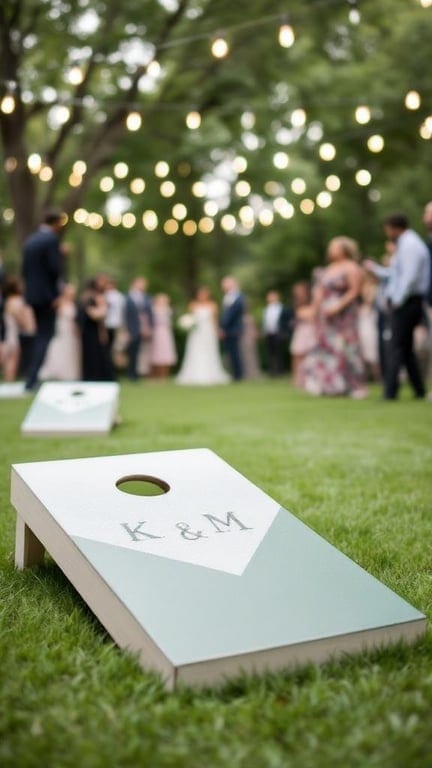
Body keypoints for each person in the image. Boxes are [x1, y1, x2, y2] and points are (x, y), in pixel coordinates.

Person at [366, 214, 430, 400]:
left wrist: (397, 300)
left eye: (387, 229)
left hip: (408, 301)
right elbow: (395, 275)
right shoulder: (405, 244)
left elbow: (408, 278)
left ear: (395, 228)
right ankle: (419, 390)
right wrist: (376, 270)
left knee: (395, 346)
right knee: (405, 348)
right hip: (407, 300)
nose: (387, 233)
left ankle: (390, 392)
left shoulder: (410, 244)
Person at [301, 236, 366, 398]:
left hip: (345, 315)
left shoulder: (351, 267)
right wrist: (314, 310)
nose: (330, 250)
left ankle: (355, 385)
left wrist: (338, 306)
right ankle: (332, 385)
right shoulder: (328, 269)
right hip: (326, 316)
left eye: (334, 247)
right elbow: (319, 292)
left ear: (345, 249)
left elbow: (354, 291)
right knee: (328, 348)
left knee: (348, 347)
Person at [21, 210, 65, 390]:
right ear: (56, 223)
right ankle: (31, 380)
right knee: (44, 336)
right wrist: (56, 295)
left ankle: (31, 377)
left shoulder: (30, 241)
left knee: (39, 335)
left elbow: (25, 270)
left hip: (33, 295)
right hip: (47, 297)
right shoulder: (51, 240)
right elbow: (54, 269)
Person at [176, 286, 230, 386]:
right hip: (196, 333)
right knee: (195, 350)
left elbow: (214, 320)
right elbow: (191, 318)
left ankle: (211, 373)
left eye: (205, 294)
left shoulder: (213, 305)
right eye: (201, 294)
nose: (203, 296)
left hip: (208, 332)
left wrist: (217, 331)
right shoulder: (193, 305)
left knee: (209, 351)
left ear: (208, 294)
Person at [39, 283, 81, 381]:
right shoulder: (58, 302)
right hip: (61, 329)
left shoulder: (73, 304)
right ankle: (57, 372)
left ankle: (70, 374)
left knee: (71, 350)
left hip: (71, 331)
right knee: (59, 348)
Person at [77, 277, 113, 381]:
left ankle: (98, 376)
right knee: (93, 354)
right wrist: (103, 308)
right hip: (90, 331)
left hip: (94, 330)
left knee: (98, 353)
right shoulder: (89, 298)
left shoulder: (91, 297)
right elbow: (95, 314)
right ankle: (93, 376)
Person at [1, 276, 35, 382]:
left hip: (8, 331)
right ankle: (9, 380)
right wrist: (25, 324)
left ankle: (8, 379)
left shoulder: (7, 301)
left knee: (8, 358)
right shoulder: (16, 301)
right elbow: (19, 317)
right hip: (13, 333)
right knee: (13, 358)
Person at [125, 277, 153, 381]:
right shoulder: (127, 297)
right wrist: (127, 330)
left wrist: (149, 327)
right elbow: (126, 315)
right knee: (132, 351)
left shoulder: (147, 297)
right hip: (132, 328)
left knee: (142, 352)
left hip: (144, 328)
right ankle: (131, 374)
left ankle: (139, 372)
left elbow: (150, 314)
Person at [289, 282, 316, 387]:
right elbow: (301, 315)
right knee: (297, 354)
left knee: (311, 355)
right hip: (301, 331)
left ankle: (310, 378)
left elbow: (312, 316)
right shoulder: (296, 304)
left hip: (311, 331)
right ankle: (297, 378)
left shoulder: (313, 301)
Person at [220, 276, 245, 380]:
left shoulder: (239, 296)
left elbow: (232, 314)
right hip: (228, 329)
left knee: (235, 352)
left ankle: (238, 375)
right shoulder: (227, 296)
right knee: (231, 352)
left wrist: (223, 326)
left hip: (234, 328)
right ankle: (235, 373)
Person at [262, 290, 290, 376]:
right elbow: (265, 322)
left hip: (279, 333)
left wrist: (284, 332)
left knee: (279, 353)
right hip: (269, 333)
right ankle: (272, 371)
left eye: (272, 296)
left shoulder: (282, 308)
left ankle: (280, 371)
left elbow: (286, 322)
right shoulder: (266, 309)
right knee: (270, 353)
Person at [150, 293, 177, 379]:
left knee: (166, 352)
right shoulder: (153, 309)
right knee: (156, 352)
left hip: (166, 332)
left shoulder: (168, 309)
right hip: (157, 332)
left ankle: (165, 374)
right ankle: (155, 374)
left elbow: (169, 322)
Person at [104, 277, 125, 353]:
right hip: (106, 324)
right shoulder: (104, 295)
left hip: (115, 324)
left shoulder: (119, 296)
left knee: (115, 347)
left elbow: (122, 311)